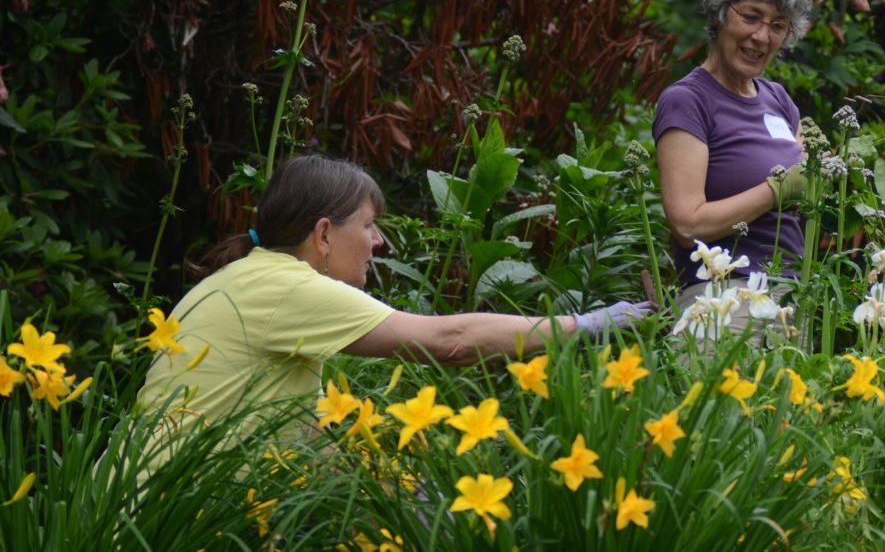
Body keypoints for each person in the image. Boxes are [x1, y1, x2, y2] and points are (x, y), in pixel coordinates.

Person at [137, 154, 651, 442]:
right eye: (368, 226)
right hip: (172, 521)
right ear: (323, 235)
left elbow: (274, 419)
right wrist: (589, 324)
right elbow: (450, 342)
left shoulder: (243, 278)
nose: (379, 242)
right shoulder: (288, 287)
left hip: (159, 503)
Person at [652, 0, 812, 345]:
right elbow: (687, 224)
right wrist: (776, 189)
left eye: (778, 25)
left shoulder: (779, 100)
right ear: (720, 13)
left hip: (792, 301)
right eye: (752, 17)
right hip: (724, 302)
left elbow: (807, 183)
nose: (762, 36)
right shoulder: (688, 100)